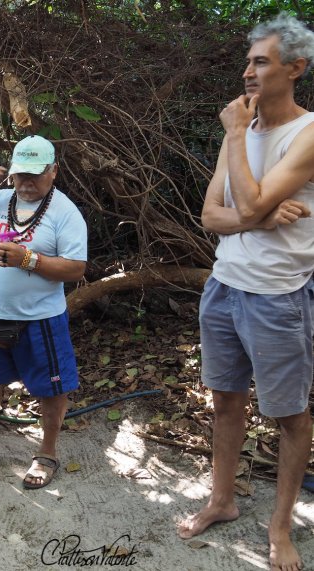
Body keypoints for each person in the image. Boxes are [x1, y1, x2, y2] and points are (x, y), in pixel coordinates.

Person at [177, 14, 314, 571]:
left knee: (290, 416)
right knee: (225, 402)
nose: (248, 72)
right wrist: (260, 218)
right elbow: (211, 216)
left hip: (277, 296)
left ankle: (280, 527)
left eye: (261, 62)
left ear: (296, 68)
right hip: (223, 287)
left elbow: (249, 201)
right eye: (248, 62)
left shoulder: (307, 134)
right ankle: (222, 500)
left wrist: (236, 137)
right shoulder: (246, 130)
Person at [0, 135, 87, 489]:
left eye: (35, 174)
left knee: (51, 390)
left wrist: (29, 259)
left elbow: (76, 268)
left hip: (41, 319)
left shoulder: (64, 212)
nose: (26, 182)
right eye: (21, 174)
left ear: (53, 171)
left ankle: (47, 452)